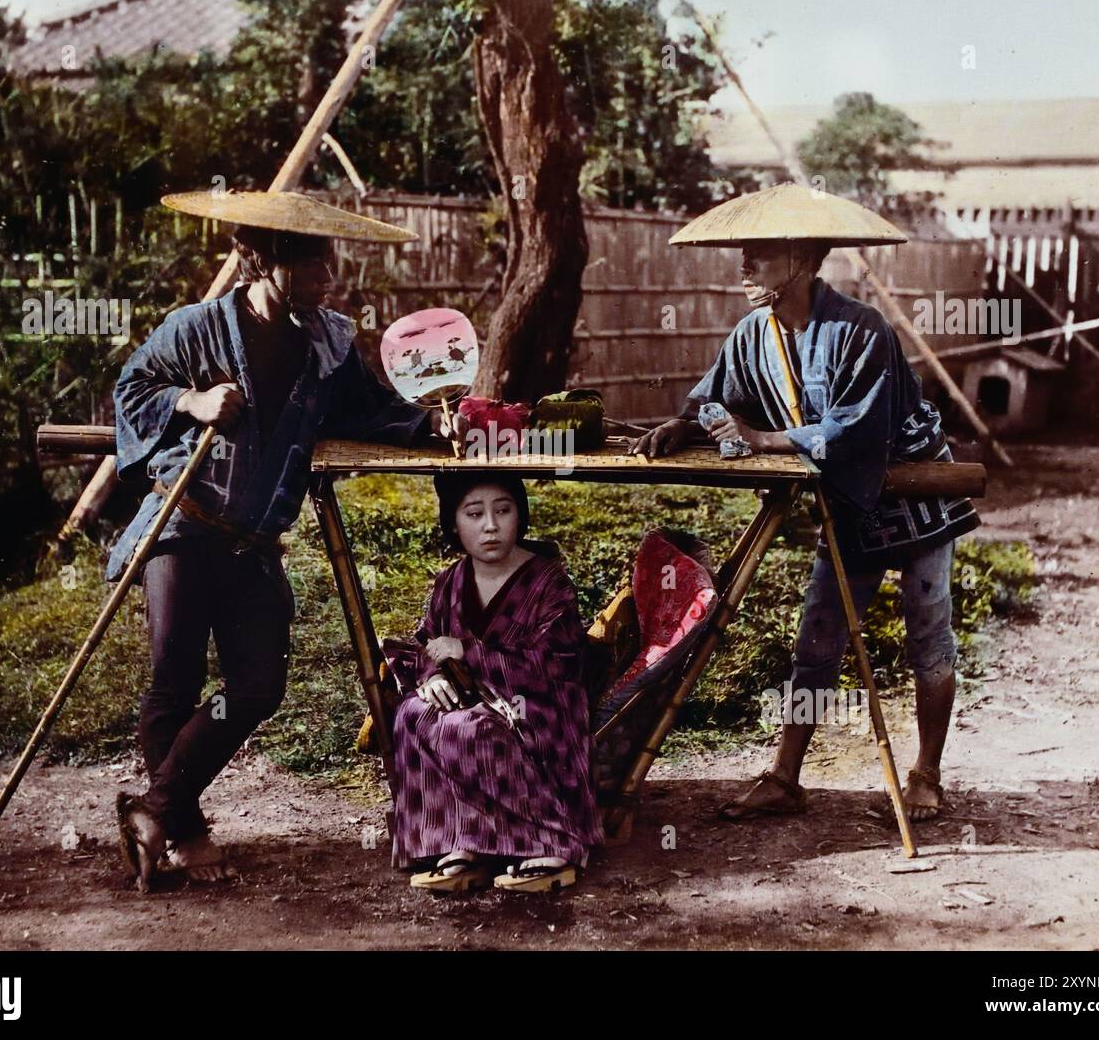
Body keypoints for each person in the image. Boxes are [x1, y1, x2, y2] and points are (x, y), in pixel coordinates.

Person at [111, 190, 467, 891]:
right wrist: (192, 402)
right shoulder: (198, 328)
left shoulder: (328, 344)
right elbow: (130, 389)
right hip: (183, 525)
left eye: (327, 260)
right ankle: (182, 828)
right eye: (309, 261)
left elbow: (368, 410)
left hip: (252, 542)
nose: (324, 275)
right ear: (263, 258)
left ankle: (152, 811)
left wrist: (429, 426)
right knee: (175, 680)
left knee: (258, 683)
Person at [631, 183, 980, 824]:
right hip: (844, 498)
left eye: (757, 256)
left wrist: (764, 438)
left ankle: (927, 773)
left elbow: (855, 430)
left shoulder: (861, 330)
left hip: (912, 490)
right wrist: (683, 426)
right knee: (817, 637)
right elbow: (720, 397)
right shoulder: (751, 335)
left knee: (927, 633)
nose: (744, 268)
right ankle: (786, 776)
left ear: (800, 259)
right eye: (743, 255)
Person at [386, 472, 603, 893]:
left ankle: (552, 841)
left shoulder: (548, 581)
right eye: (474, 513)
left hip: (538, 707)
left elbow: (557, 665)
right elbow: (428, 643)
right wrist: (431, 677)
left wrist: (469, 652)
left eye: (503, 510)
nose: (490, 525)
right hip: (473, 699)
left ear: (520, 517)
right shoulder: (450, 581)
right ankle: (463, 840)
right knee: (413, 714)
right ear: (453, 523)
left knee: (467, 727)